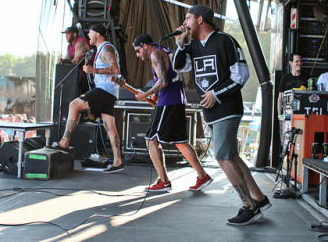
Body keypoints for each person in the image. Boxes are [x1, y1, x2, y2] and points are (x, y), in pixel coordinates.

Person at [173, 4, 270, 226]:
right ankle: (259, 198)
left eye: (187, 18)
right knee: (232, 156)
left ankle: (248, 206)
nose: (184, 23)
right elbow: (180, 68)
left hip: (227, 108)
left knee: (223, 157)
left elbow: (241, 75)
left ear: (199, 20)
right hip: (212, 112)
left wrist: (216, 94)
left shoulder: (225, 41)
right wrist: (180, 45)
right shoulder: (193, 45)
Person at [132, 33, 212, 192]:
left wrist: (145, 94)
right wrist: (155, 93)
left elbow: (163, 81)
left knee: (150, 139)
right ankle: (202, 176)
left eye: (138, 51)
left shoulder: (155, 54)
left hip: (168, 102)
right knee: (180, 141)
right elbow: (168, 78)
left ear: (145, 46)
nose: (137, 55)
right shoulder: (165, 51)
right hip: (178, 100)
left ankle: (164, 181)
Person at [48, 24, 124, 173]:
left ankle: (64, 142)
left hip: (104, 90)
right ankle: (117, 161)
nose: (88, 35)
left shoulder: (107, 48)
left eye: (91, 32)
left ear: (98, 35)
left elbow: (116, 70)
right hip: (109, 92)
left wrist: (92, 70)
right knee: (110, 127)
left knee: (74, 105)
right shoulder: (100, 49)